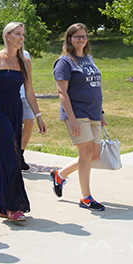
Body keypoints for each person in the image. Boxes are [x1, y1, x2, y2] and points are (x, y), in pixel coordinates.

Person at [0, 22, 46, 221]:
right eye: (18, 34)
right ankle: (11, 206)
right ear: (7, 36)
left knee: (7, 155)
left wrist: (38, 116)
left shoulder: (25, 61)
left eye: (23, 34)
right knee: (11, 154)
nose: (21, 37)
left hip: (15, 108)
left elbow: (30, 91)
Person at [50, 23, 107, 211]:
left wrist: (101, 113)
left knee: (94, 154)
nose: (81, 39)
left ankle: (60, 175)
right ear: (69, 39)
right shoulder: (64, 62)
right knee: (85, 153)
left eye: (83, 36)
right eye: (77, 36)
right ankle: (85, 197)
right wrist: (72, 118)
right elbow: (61, 92)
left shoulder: (88, 58)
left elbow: (95, 86)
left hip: (93, 113)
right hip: (77, 113)